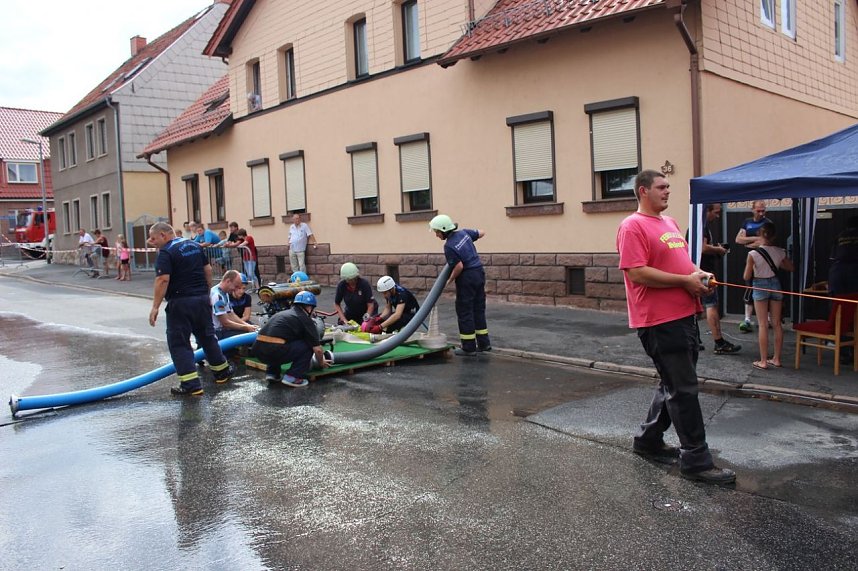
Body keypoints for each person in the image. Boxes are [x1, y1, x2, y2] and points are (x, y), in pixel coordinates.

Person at [616, 169, 735, 485]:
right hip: (659, 321)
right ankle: (696, 460)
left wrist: (699, 275)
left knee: (673, 383)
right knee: (683, 389)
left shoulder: (668, 224)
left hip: (684, 316)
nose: (667, 191)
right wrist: (685, 280)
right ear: (643, 191)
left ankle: (648, 441)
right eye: (661, 187)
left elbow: (683, 262)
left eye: (669, 186)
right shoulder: (632, 226)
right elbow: (637, 273)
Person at [147, 222, 234, 396]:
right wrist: (207, 293)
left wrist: (155, 307)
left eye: (154, 238)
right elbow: (207, 270)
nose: (152, 242)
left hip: (180, 302)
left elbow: (162, 280)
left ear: (164, 235)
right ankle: (222, 372)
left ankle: (191, 385)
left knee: (179, 343)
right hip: (201, 299)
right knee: (207, 336)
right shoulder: (194, 245)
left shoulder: (166, 252)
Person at [430, 214, 491, 356]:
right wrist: (468, 243)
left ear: (444, 230)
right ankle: (484, 344)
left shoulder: (449, 246)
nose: (436, 235)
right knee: (478, 309)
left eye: (437, 232)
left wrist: (449, 280)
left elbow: (459, 266)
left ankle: (468, 347)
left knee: (465, 311)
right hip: (479, 273)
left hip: (467, 278)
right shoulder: (464, 233)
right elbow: (481, 232)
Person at [251, 291, 330, 387]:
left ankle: (272, 373)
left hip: (258, 350)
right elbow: (317, 349)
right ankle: (292, 377)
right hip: (274, 350)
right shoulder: (305, 319)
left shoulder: (282, 314)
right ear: (309, 307)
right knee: (308, 346)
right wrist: (321, 363)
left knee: (279, 341)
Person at [743, 222, 794, 370]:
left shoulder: (753, 254)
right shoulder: (780, 251)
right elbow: (791, 268)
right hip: (776, 285)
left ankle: (763, 361)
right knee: (777, 323)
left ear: (760, 235)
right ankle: (776, 359)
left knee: (763, 323)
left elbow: (746, 275)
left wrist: (753, 265)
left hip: (760, 285)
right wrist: (777, 262)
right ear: (774, 235)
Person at [696, 205, 740, 354]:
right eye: (716, 212)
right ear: (707, 211)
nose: (718, 216)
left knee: (696, 307)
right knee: (711, 305)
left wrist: (714, 247)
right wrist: (719, 249)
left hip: (697, 270)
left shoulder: (698, 224)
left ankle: (694, 340)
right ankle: (719, 342)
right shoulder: (702, 225)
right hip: (705, 272)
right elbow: (702, 248)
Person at [735, 200, 772, 333]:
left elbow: (766, 241)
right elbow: (738, 239)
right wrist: (755, 240)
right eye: (758, 210)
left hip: (764, 259)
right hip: (750, 258)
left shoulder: (768, 223)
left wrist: (749, 240)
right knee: (749, 285)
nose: (761, 213)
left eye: (763, 210)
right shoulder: (747, 222)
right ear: (752, 209)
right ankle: (747, 319)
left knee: (765, 287)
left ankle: (767, 318)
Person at [211, 269, 259, 340]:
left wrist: (247, 325)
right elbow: (225, 323)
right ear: (228, 281)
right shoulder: (217, 296)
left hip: (223, 329)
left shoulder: (224, 293)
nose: (235, 289)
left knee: (252, 329)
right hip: (217, 332)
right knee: (250, 337)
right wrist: (246, 328)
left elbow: (231, 314)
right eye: (236, 286)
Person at [829, 216, 858, 295]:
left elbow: (832, 257)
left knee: (838, 301)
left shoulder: (839, 236)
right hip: (855, 270)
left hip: (837, 270)